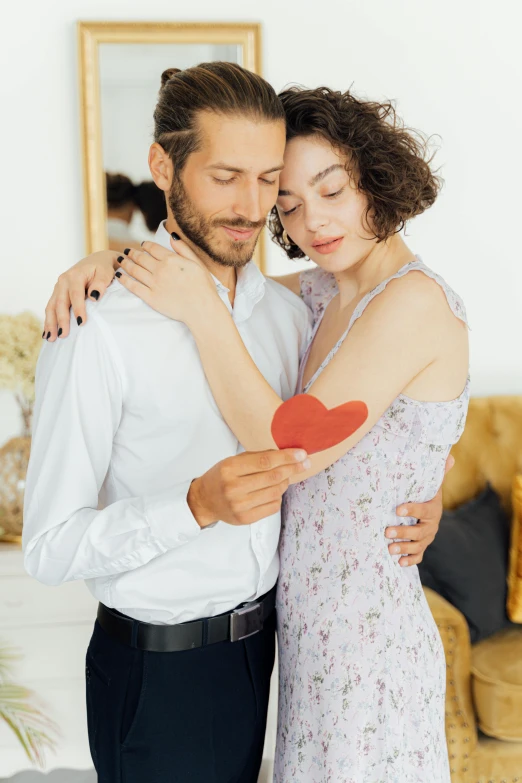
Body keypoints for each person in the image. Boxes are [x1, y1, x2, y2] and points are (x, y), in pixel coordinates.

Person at [32, 64, 452, 782]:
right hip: (157, 670)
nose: (253, 208)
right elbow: (47, 546)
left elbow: (396, 403)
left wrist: (427, 480)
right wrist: (193, 506)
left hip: (273, 657)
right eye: (227, 176)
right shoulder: (99, 324)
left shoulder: (290, 312)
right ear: (163, 166)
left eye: (268, 183)